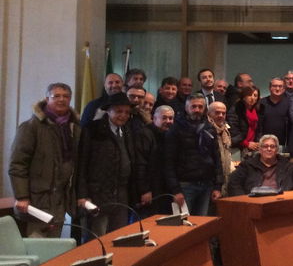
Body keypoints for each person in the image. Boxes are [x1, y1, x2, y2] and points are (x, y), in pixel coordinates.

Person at [9, 83, 81, 237]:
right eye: (56, 96)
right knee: (38, 247)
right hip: (36, 201)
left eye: (66, 96)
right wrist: (22, 196)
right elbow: (17, 164)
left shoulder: (74, 128)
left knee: (54, 249)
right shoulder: (31, 127)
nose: (61, 99)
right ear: (47, 98)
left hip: (60, 200)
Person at [77, 93, 137, 238]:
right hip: (98, 193)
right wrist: (82, 195)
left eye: (127, 112)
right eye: (118, 111)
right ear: (108, 111)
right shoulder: (92, 130)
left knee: (118, 237)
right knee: (97, 239)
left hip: (121, 194)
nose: (123, 115)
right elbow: (82, 164)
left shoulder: (127, 130)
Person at [164, 93, 223, 216]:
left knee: (201, 225)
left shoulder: (209, 128)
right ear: (186, 108)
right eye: (193, 106)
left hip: (206, 184)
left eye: (200, 107)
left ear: (204, 109)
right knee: (183, 225)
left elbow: (216, 158)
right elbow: (168, 162)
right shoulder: (175, 129)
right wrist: (175, 190)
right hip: (185, 185)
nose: (197, 110)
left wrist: (218, 186)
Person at [136, 105, 175, 216]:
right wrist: (144, 190)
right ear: (154, 118)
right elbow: (140, 164)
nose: (168, 121)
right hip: (150, 189)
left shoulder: (169, 135)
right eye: (164, 118)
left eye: (171, 118)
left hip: (165, 189)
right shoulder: (145, 134)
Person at [228, 135, 293, 195]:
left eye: (272, 146)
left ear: (277, 150)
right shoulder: (247, 165)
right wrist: (244, 200)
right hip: (254, 203)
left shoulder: (287, 166)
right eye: (265, 146)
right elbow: (233, 183)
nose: (269, 149)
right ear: (260, 149)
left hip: (280, 202)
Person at [228, 86, 264, 158]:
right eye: (249, 95)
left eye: (255, 95)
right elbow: (233, 130)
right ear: (244, 96)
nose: (252, 98)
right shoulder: (235, 109)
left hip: (254, 145)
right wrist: (246, 144)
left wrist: (257, 142)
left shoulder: (258, 110)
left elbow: (259, 129)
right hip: (239, 145)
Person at [208, 101, 233, 197]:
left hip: (224, 177)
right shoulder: (206, 131)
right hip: (211, 182)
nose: (221, 115)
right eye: (217, 112)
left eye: (223, 113)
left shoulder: (225, 131)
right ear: (209, 114)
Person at [260, 77, 290, 147]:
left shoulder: (289, 104)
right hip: (263, 144)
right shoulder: (261, 103)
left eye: (280, 86)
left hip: (282, 145)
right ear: (270, 88)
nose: (277, 89)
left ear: (284, 89)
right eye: (274, 86)